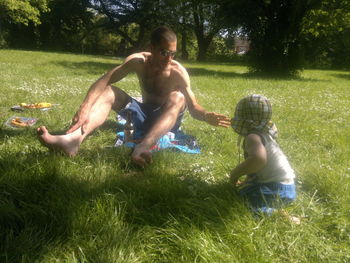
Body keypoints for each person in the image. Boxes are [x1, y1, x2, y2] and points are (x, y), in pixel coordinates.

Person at [37, 26, 231, 166]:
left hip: (166, 120)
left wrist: (206, 116)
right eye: (164, 52)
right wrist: (85, 106)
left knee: (177, 97)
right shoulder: (137, 62)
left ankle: (143, 147)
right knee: (108, 91)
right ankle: (72, 141)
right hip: (141, 115)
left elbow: (193, 106)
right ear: (152, 47)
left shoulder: (177, 72)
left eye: (173, 53)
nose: (169, 58)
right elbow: (105, 79)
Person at [230, 94, 297, 215]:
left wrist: (235, 173)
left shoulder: (252, 137)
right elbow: (259, 169)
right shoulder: (266, 135)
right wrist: (248, 181)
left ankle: (278, 214)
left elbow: (258, 160)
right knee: (244, 190)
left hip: (275, 189)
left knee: (244, 203)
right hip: (288, 188)